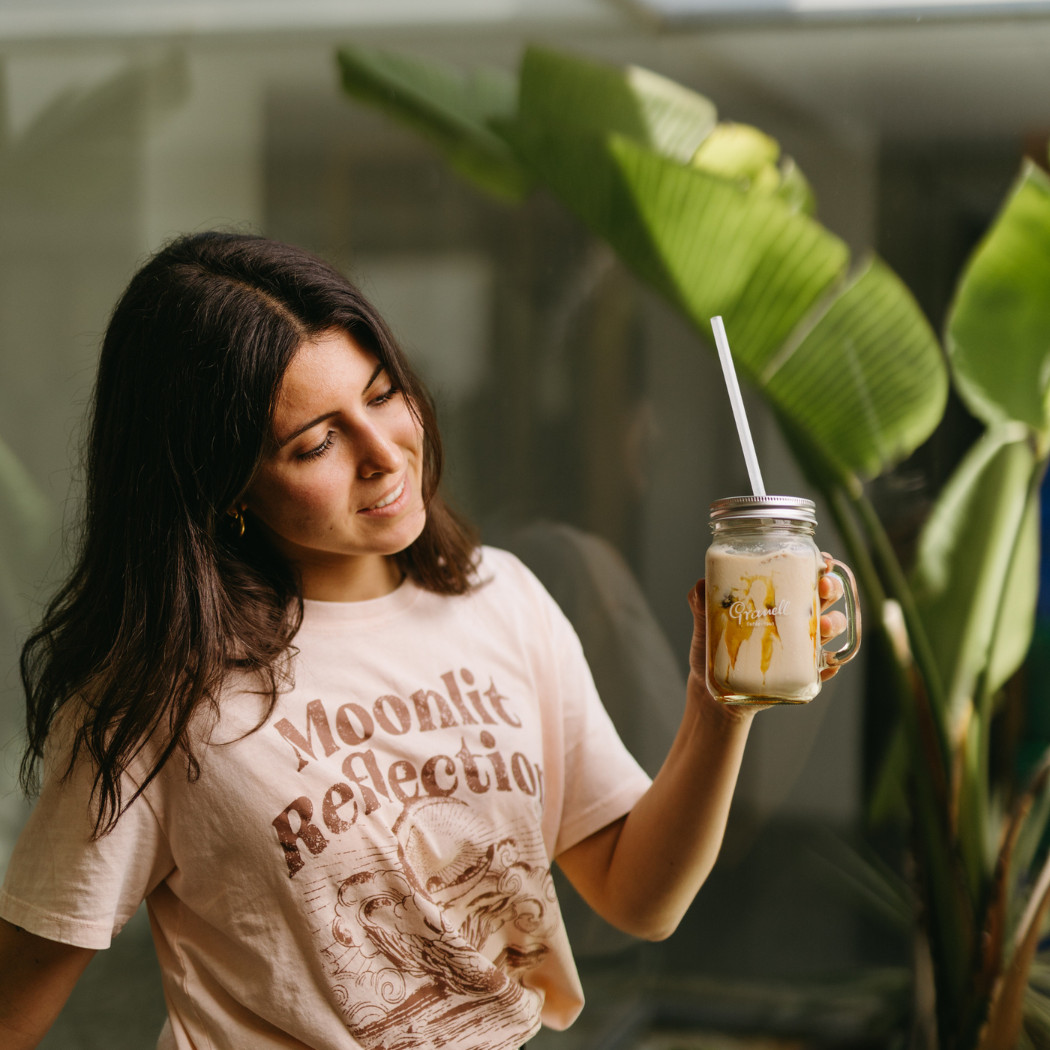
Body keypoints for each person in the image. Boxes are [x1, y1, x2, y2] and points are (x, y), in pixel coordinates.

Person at [0, 231, 850, 1050]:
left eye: (379, 394)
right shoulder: (156, 692)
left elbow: (640, 896)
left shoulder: (500, 595)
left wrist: (722, 697)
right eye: (316, 442)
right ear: (225, 486)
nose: (383, 454)